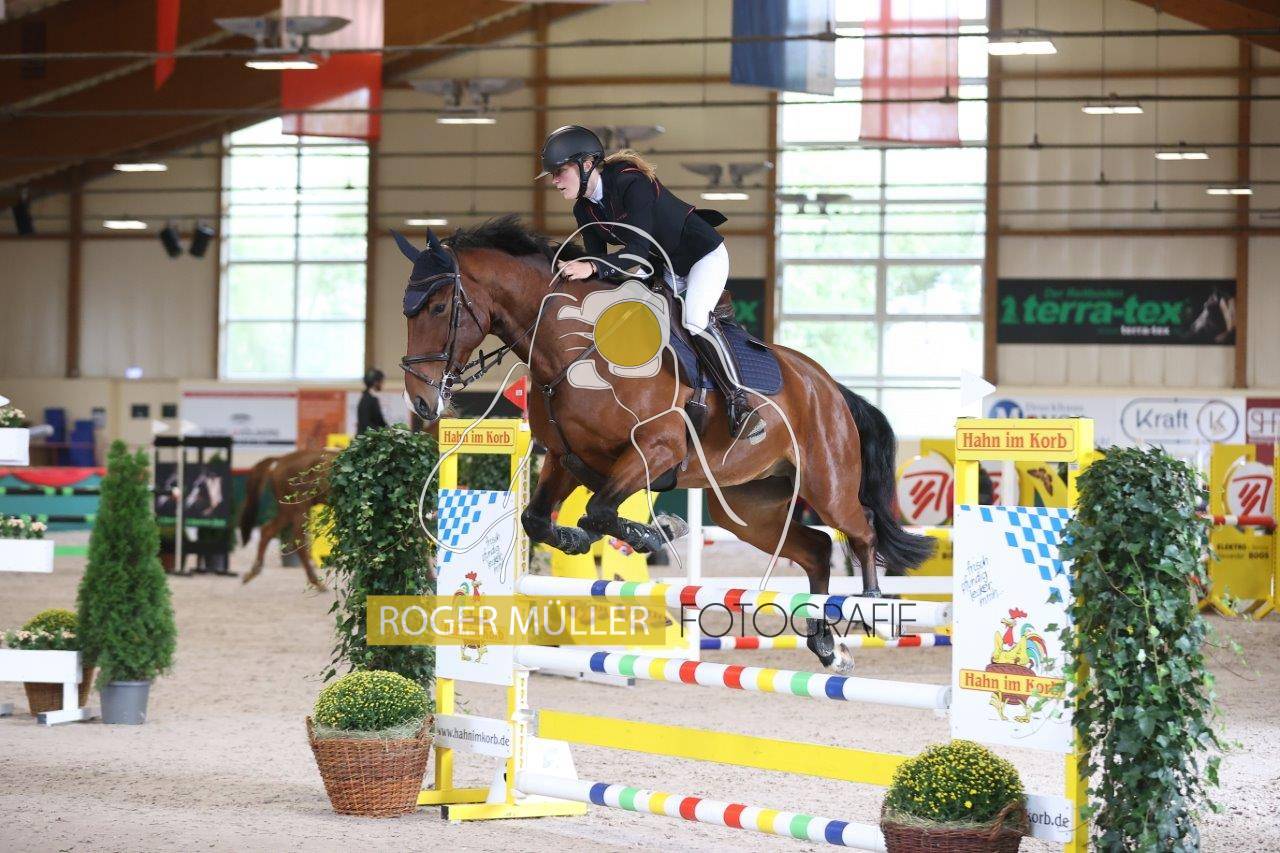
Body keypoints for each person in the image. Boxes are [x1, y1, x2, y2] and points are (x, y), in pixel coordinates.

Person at [536, 124, 760, 439]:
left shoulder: (631, 183)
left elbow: (635, 253)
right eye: (553, 174)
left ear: (586, 164)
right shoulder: (584, 209)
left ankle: (740, 403)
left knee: (694, 319)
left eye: (560, 171)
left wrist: (591, 266)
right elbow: (601, 265)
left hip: (700, 256)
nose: (555, 180)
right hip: (662, 267)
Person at [356, 368, 387, 435]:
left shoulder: (369, 398)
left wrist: (389, 430)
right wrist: (383, 431)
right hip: (366, 437)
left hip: (370, 435)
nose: (382, 384)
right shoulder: (367, 399)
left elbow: (380, 422)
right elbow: (365, 423)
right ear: (375, 382)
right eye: (381, 381)